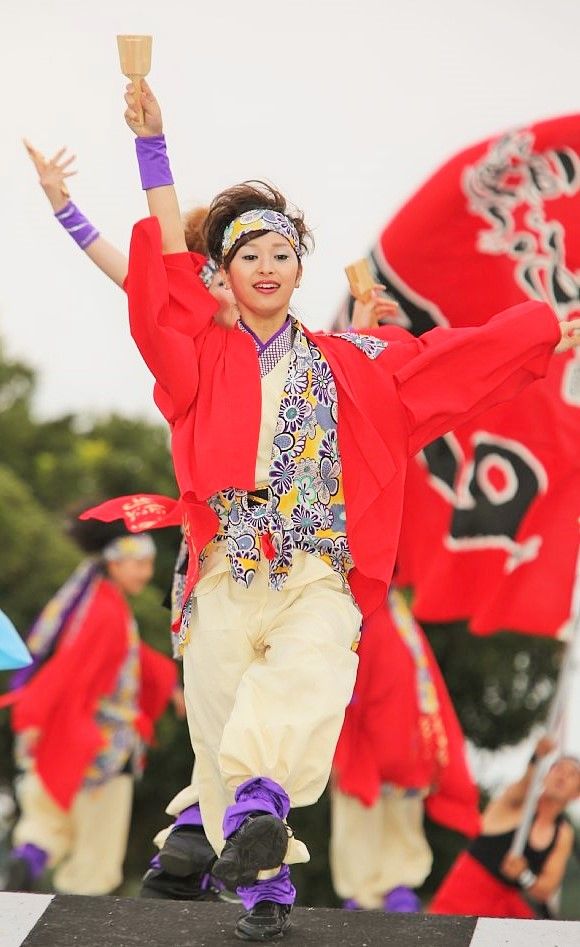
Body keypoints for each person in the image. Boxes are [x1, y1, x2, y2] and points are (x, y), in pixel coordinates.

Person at [119, 72, 580, 940]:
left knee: (302, 687)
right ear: (224, 273)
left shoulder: (353, 361)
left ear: (300, 266)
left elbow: (446, 363)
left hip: (317, 574)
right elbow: (164, 279)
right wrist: (152, 148)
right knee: (223, 734)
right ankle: (260, 884)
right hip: (222, 574)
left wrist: (540, 330)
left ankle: (243, 824)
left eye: (281, 253)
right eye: (248, 256)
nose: (266, 267)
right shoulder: (198, 356)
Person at [5, 515, 179, 896]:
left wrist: (170, 687)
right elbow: (74, 668)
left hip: (71, 739)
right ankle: (78, 919)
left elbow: (127, 655)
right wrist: (35, 714)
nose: (147, 573)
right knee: (97, 851)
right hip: (103, 747)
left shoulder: (98, 601)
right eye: (139, 563)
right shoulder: (105, 611)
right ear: (115, 562)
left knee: (49, 825)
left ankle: (27, 861)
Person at [430, 738, 580, 918]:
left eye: (572, 774)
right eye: (558, 769)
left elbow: (546, 888)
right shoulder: (514, 803)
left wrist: (524, 875)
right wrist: (537, 757)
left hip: (503, 911)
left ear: (577, 793)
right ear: (545, 776)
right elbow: (523, 786)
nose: (562, 776)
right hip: (463, 898)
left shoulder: (563, 833)